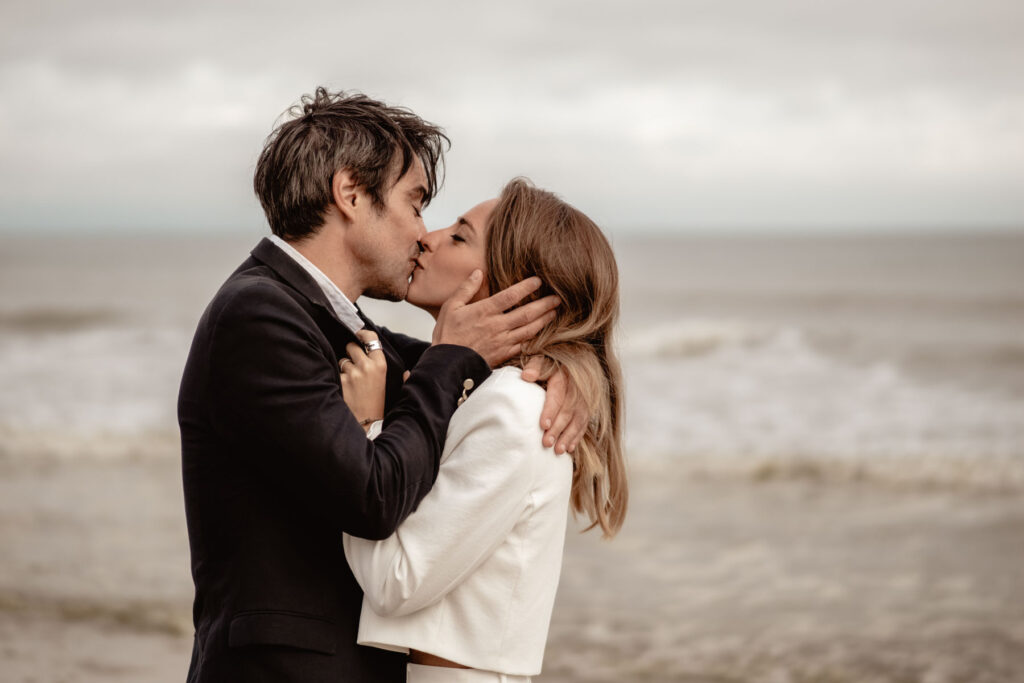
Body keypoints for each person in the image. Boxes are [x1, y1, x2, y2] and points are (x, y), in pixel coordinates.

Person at [178, 90, 588, 683]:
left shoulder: (331, 320)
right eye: (415, 203)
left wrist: (558, 363)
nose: (423, 233)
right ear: (350, 194)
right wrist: (457, 358)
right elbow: (372, 497)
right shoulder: (260, 315)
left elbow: (451, 368)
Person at [342, 178, 628, 682]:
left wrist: (364, 426)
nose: (428, 237)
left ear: (515, 287)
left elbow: (394, 582)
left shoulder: (513, 407)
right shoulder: (487, 394)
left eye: (459, 236)